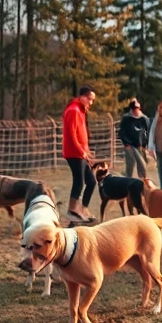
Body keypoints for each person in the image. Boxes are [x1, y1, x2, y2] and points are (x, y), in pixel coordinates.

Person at [62, 86, 97, 222]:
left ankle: (82, 209)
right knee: (79, 182)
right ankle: (72, 210)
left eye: (92, 100)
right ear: (82, 97)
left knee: (91, 181)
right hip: (74, 153)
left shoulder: (80, 110)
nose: (90, 102)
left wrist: (86, 152)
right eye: (89, 99)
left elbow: (81, 134)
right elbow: (72, 135)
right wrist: (81, 151)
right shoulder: (73, 110)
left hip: (81, 153)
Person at [119, 98, 150, 179]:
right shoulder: (126, 118)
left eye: (137, 108)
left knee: (142, 164)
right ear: (131, 109)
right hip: (129, 144)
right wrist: (126, 143)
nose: (136, 111)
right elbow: (122, 132)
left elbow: (147, 131)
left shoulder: (144, 118)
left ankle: (142, 180)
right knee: (130, 163)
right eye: (134, 109)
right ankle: (127, 179)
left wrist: (145, 143)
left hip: (139, 144)